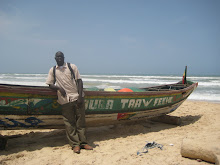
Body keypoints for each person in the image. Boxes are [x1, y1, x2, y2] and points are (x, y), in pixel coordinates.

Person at [46, 51, 93, 154]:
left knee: (81, 122)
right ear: (55, 58)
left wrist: (80, 96)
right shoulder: (53, 70)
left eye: (61, 56)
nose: (59, 58)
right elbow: (50, 84)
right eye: (57, 57)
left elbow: (79, 81)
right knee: (69, 123)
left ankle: (84, 143)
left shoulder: (72, 67)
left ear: (63, 57)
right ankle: (75, 145)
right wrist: (58, 88)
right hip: (65, 100)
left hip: (77, 98)